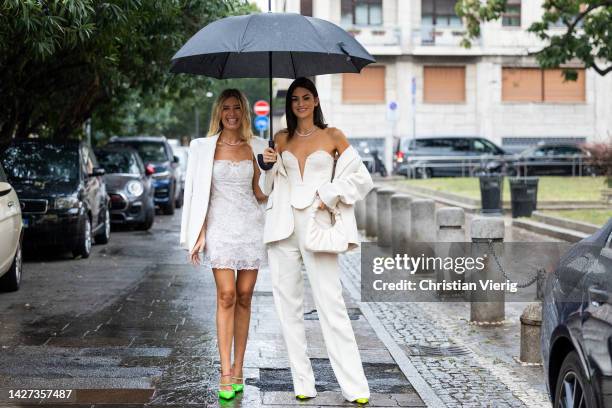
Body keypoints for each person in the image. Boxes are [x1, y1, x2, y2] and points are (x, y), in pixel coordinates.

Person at [261, 77, 373, 404]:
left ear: (316, 100)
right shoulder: (280, 139)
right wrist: (266, 165)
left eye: (306, 97)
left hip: (319, 225)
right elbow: (266, 188)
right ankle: (303, 384)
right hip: (282, 228)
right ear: (290, 103)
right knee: (288, 309)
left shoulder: (333, 135)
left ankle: (355, 388)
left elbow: (362, 179)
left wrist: (330, 193)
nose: (300, 103)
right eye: (295, 98)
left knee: (331, 304)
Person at [179, 89, 267, 400]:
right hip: (219, 227)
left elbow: (260, 193)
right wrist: (198, 232)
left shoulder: (256, 146)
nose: (231, 113)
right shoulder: (203, 148)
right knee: (226, 295)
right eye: (226, 108)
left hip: (250, 227)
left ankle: (240, 367)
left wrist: (269, 167)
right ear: (219, 112)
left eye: (237, 108)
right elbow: (195, 192)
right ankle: (224, 372)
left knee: (244, 296)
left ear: (244, 113)